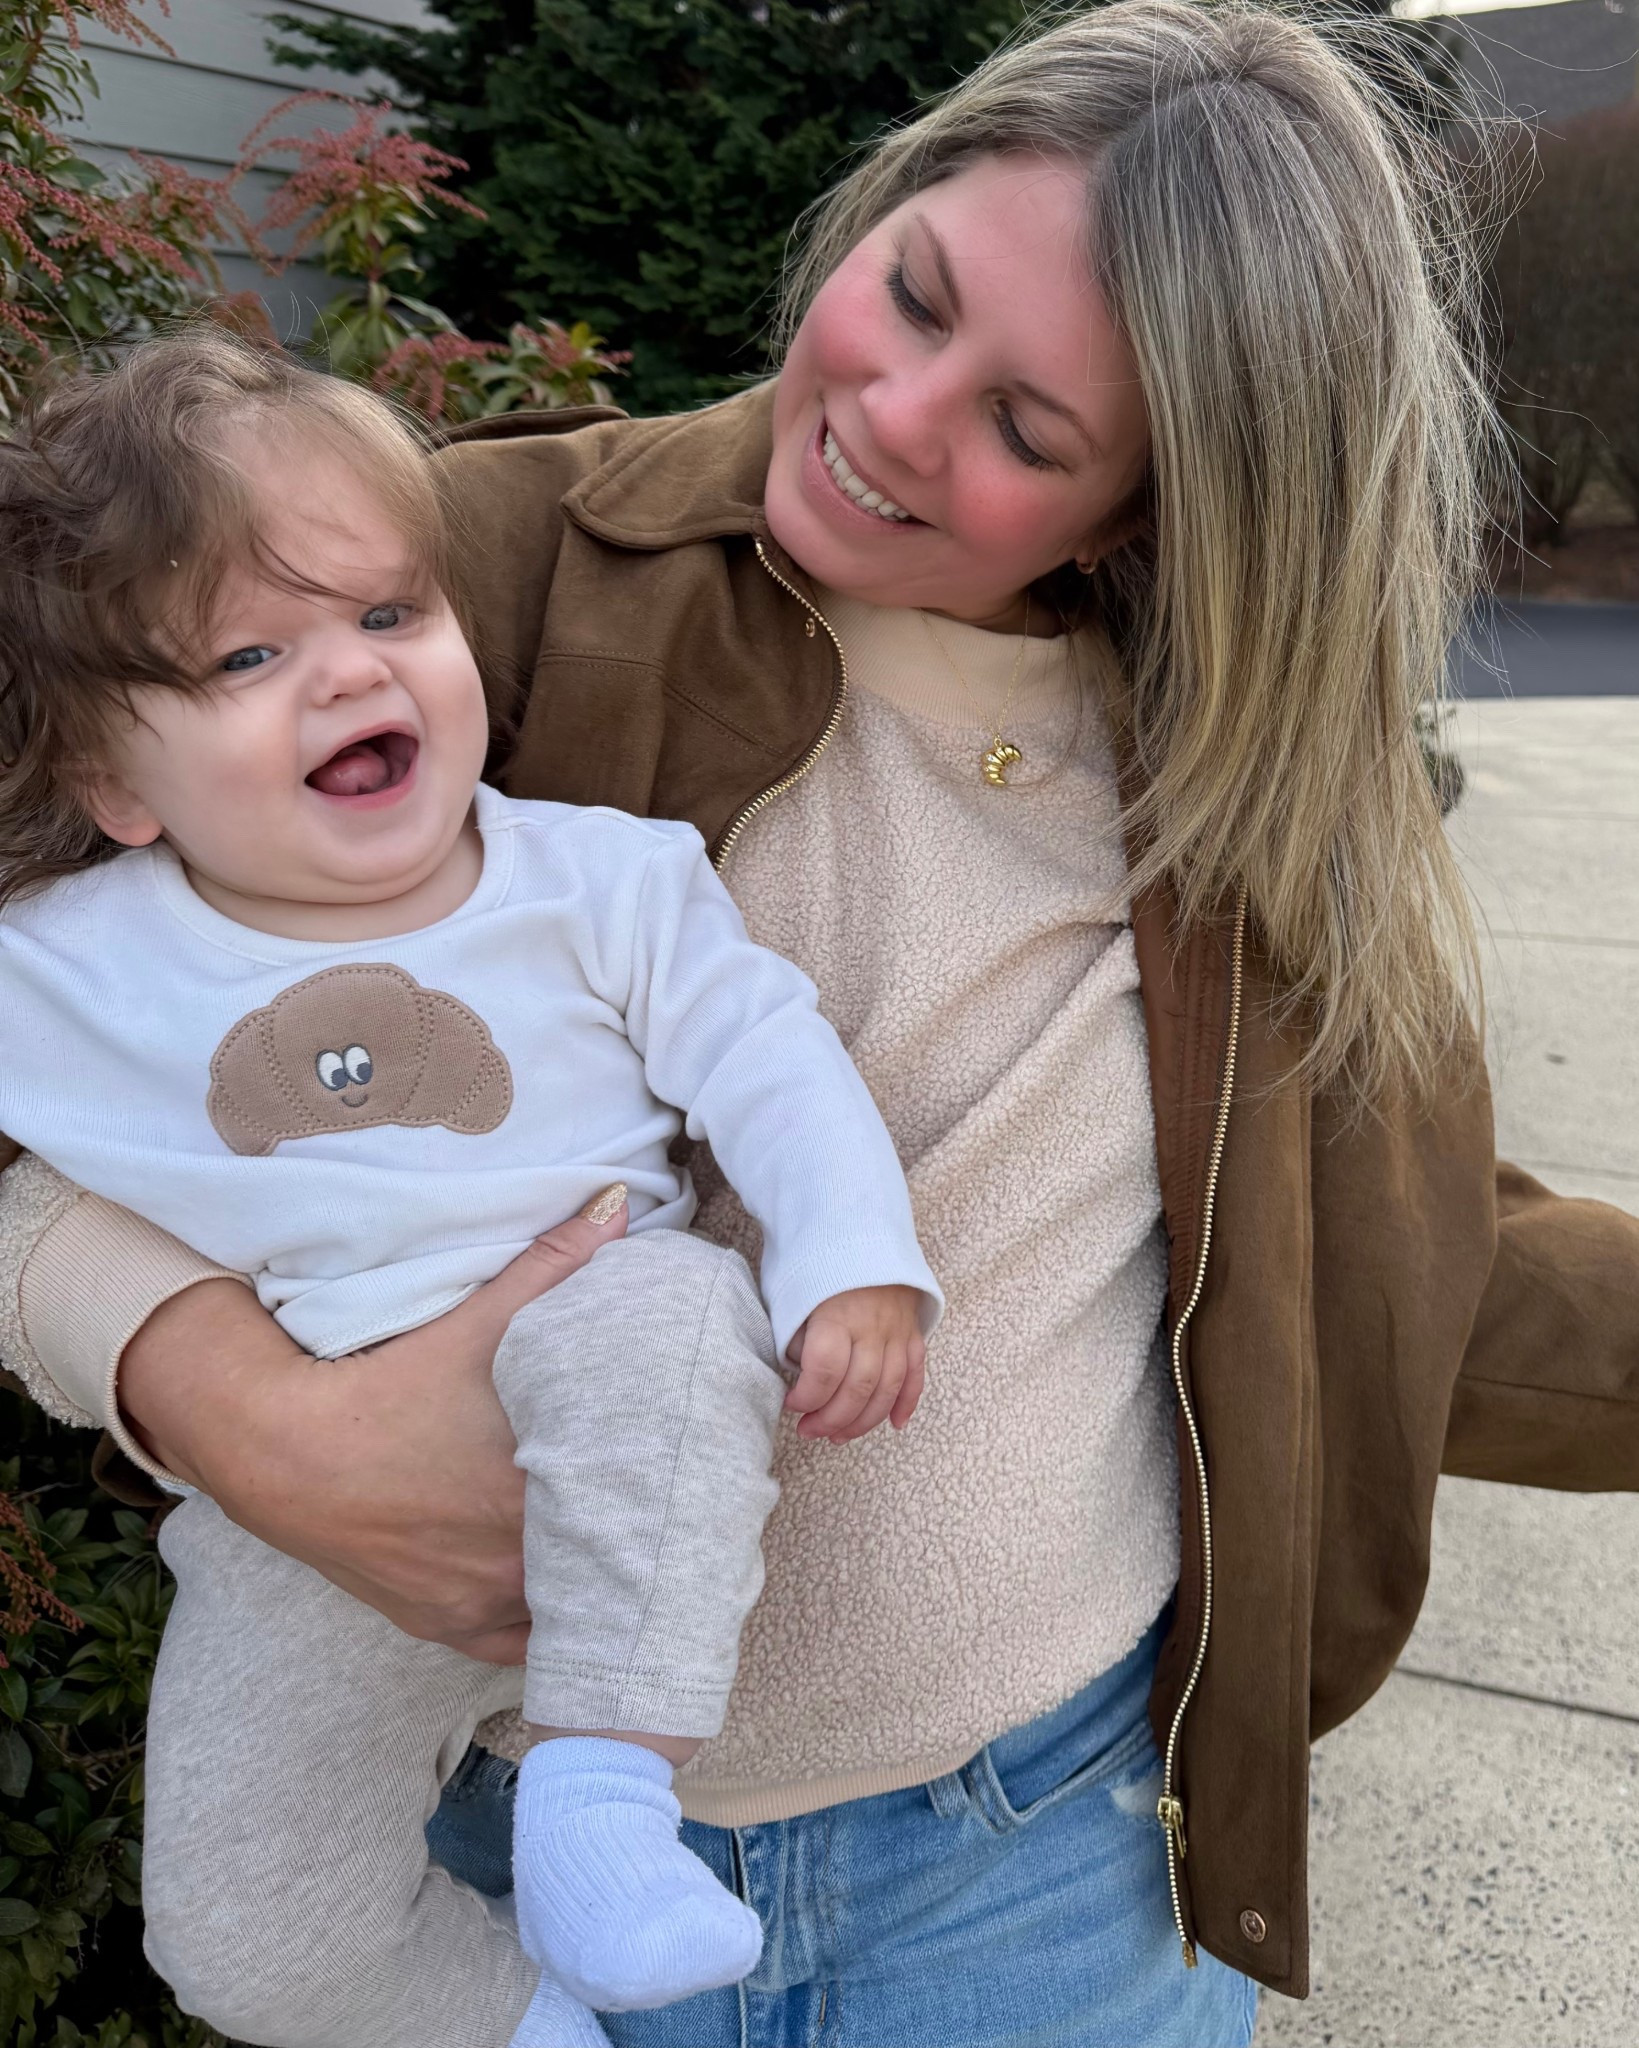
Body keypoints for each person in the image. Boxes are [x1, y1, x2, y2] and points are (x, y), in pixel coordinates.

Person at [2, 2, 1635, 2043]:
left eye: (1027, 429)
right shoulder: (455, 584)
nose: (888, 410)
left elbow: (1394, 1274)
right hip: (517, 1881)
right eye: (911, 292)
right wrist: (214, 1389)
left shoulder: (1247, 788)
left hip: (1043, 1883)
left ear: (1149, 508)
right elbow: (51, 1034)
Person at [0, 334, 941, 2047]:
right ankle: (527, 2023)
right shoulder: (66, 972)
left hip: (616, 1440)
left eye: (390, 614)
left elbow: (770, 1056)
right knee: (241, 1940)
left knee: (664, 1307)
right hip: (306, 1537)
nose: (350, 677)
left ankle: (599, 1800)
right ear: (113, 786)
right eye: (247, 654)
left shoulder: (601, 881)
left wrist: (851, 1258)